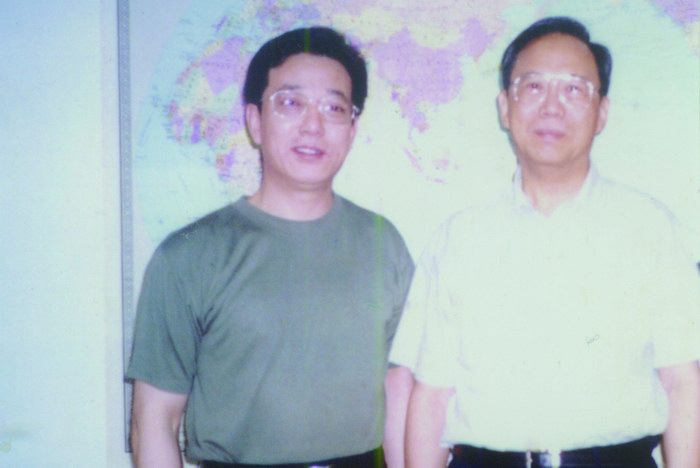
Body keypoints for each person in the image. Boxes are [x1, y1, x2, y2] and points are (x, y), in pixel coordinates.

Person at [390, 16, 700, 468]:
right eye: (533, 86)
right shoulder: (459, 239)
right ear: (504, 107)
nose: (552, 107)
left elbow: (681, 381)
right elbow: (432, 396)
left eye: (574, 89)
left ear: (603, 113)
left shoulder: (651, 228)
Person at [127, 26, 414, 468]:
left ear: (352, 129)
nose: (313, 125)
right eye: (291, 103)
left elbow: (400, 394)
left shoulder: (383, 244)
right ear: (255, 121)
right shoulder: (189, 254)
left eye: (334, 108)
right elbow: (155, 419)